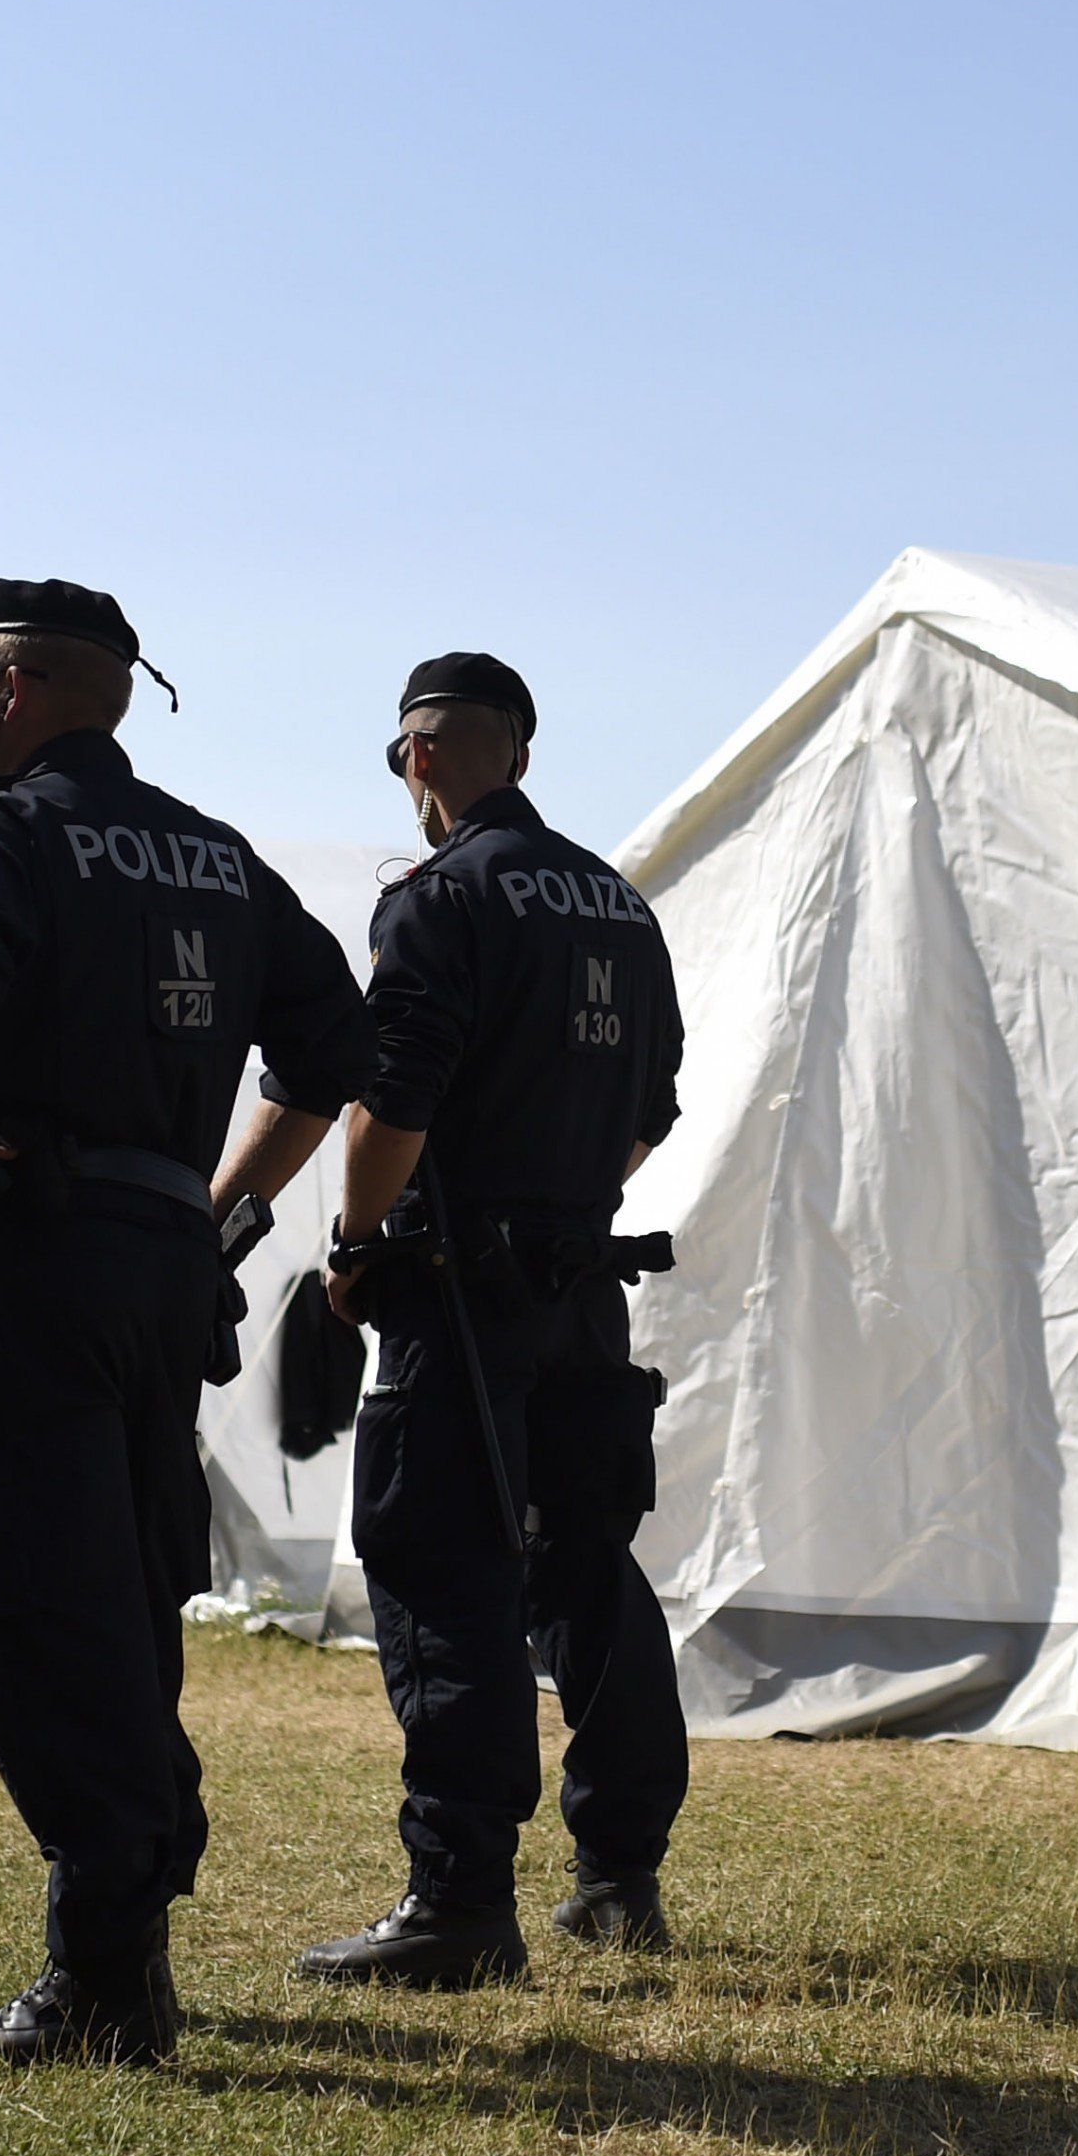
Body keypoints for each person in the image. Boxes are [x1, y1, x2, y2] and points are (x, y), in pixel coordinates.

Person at [0, 580, 372, 2065]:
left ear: (20, 692)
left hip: (39, 1266)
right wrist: (214, 1208)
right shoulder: (215, 855)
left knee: (35, 1600)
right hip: (162, 1279)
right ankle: (126, 1950)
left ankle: (99, 1986)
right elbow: (337, 1045)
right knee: (132, 1599)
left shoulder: (12, 830)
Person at [296, 652, 688, 1989]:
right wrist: (564, 1204)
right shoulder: (621, 905)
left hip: (457, 1299)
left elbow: (387, 1100)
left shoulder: (437, 899)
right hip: (583, 1292)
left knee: (445, 1578)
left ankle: (459, 1902)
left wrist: (356, 1246)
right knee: (589, 1565)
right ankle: (618, 1874)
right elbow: (652, 1110)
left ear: (417, 759)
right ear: (516, 752)